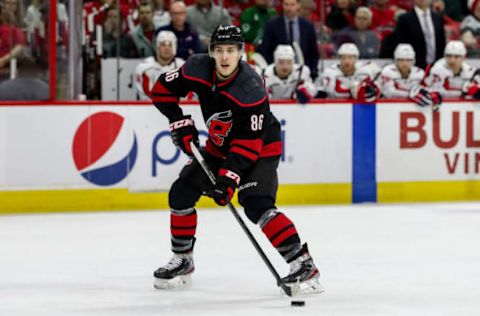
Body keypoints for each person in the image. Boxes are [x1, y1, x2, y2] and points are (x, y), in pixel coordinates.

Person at [149, 25, 321, 293]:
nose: (225, 57)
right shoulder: (196, 67)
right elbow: (160, 91)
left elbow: (249, 144)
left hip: (260, 147)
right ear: (211, 52)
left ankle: (302, 262)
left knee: (256, 204)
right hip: (221, 145)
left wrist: (229, 177)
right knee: (181, 193)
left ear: (241, 53)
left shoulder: (250, 88)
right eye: (219, 51)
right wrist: (178, 120)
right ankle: (183, 259)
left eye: (231, 51)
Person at [258, 0, 319, 78]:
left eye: (292, 4)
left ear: (298, 5)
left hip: (301, 72)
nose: (289, 8)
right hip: (278, 73)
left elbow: (313, 53)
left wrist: (312, 71)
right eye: (286, 4)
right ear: (282, 5)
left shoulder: (307, 26)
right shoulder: (272, 24)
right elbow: (265, 50)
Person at [378, 43, 442, 109]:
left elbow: (427, 89)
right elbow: (390, 93)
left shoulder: (419, 73)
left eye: (408, 60)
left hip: (413, 109)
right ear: (396, 60)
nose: (405, 63)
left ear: (413, 61)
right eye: (401, 60)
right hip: (388, 108)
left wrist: (432, 94)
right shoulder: (387, 71)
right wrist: (411, 94)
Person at [315, 43, 381, 102]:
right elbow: (319, 95)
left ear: (356, 59)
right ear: (339, 59)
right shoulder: (329, 73)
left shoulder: (366, 71)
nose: (346, 61)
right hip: (334, 109)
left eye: (350, 58)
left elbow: (378, 93)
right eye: (343, 58)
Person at [391, 0, 446, 69]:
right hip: (413, 67)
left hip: (436, 66)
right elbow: (400, 45)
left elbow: (441, 43)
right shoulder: (404, 19)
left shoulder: (438, 18)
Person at [135, 30, 185, 100]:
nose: (166, 48)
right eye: (163, 45)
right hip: (150, 109)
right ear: (158, 47)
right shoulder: (144, 68)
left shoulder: (183, 67)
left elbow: (188, 94)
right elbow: (144, 95)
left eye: (170, 45)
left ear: (174, 48)